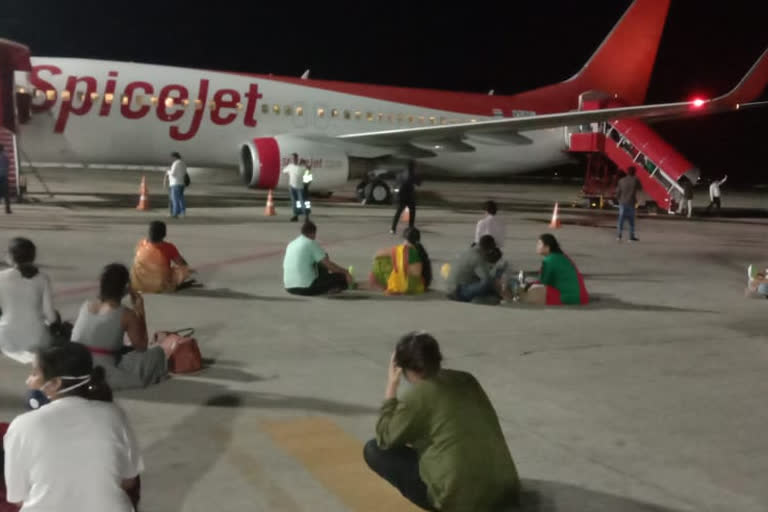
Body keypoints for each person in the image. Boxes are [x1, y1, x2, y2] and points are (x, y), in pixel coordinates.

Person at [363, 332, 520, 511]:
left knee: (374, 450)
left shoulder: (418, 395)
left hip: (461, 500)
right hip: (505, 489)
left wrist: (391, 385)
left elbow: (385, 437)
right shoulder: (467, 379)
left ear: (402, 367)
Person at [3, 343, 142, 511]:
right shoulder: (113, 414)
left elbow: (17, 497)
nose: (28, 381)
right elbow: (129, 481)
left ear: (55, 383)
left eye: (34, 373)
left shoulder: (22, 426)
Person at [72, 263, 168, 390]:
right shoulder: (126, 314)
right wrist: (140, 312)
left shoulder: (86, 306)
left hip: (75, 368)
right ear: (125, 288)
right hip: (103, 372)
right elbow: (142, 346)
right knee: (157, 353)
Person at [0, 238, 57, 363]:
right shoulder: (42, 278)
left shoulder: (1, 277)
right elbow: (50, 315)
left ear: (11, 256)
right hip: (37, 339)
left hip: (7, 340)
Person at [513, 234, 589, 306]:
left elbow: (543, 282)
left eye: (539, 244)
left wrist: (528, 284)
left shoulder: (549, 260)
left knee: (526, 293)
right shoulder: (563, 257)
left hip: (567, 298)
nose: (537, 246)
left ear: (547, 247)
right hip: (582, 296)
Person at [283, 221, 354, 295]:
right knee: (341, 277)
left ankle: (327, 284)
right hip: (306, 288)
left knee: (321, 258)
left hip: (289, 288)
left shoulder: (291, 244)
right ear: (313, 233)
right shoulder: (310, 243)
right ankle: (332, 288)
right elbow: (329, 265)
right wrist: (346, 272)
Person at [130, 220, 196, 293]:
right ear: (164, 234)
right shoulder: (168, 247)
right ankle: (168, 286)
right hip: (160, 284)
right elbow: (181, 263)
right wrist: (189, 270)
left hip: (139, 284)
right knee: (181, 270)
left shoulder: (142, 243)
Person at [370, 227, 433, 295]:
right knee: (397, 259)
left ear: (405, 239)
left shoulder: (403, 249)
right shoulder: (420, 250)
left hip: (407, 285)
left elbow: (377, 255)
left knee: (382, 261)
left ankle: (382, 283)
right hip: (418, 284)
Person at [445, 235, 503, 304]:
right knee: (488, 283)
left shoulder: (470, 250)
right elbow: (486, 279)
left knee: (486, 283)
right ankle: (481, 300)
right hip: (458, 292)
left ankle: (486, 297)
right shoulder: (477, 258)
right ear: (488, 250)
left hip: (451, 288)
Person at [390, 162, 418, 234]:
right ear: (413, 167)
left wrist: (395, 192)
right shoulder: (412, 174)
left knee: (398, 212)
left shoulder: (401, 174)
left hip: (402, 196)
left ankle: (393, 228)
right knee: (412, 212)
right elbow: (418, 183)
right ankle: (410, 228)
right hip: (409, 196)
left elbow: (396, 184)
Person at [615, 166, 641, 242]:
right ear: (634, 172)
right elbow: (640, 188)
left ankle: (619, 236)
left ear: (627, 172)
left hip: (622, 203)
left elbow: (618, 193)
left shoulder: (621, 180)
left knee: (621, 221)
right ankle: (631, 237)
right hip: (631, 203)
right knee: (631, 222)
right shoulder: (635, 180)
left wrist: (618, 200)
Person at [164, 151, 188, 218]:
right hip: (182, 183)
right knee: (181, 199)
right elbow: (185, 173)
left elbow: (173, 173)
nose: (171, 159)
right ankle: (183, 213)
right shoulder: (183, 163)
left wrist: (168, 171)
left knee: (175, 199)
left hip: (175, 183)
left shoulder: (175, 163)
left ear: (174, 157)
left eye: (171, 158)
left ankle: (175, 213)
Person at [283, 153, 306, 222]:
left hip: (300, 187)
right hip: (292, 187)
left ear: (297, 158)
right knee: (294, 202)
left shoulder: (302, 167)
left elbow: (308, 170)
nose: (293, 159)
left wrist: (304, 164)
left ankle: (306, 216)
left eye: (294, 158)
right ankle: (295, 216)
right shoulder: (290, 166)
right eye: (292, 158)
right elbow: (284, 171)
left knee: (302, 202)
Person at [0, 145, 11, 214]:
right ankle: (7, 209)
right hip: (4, 177)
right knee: (6, 194)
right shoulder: (5, 156)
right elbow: (8, 164)